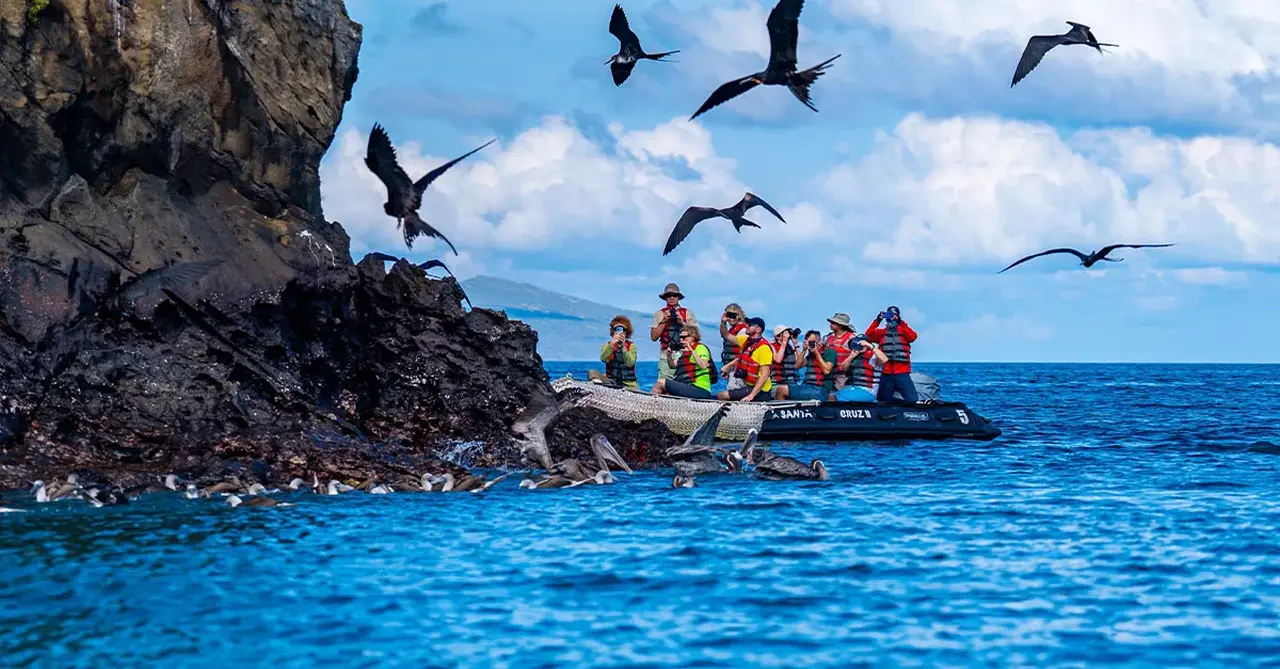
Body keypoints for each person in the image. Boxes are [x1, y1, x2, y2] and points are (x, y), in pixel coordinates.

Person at [865, 305, 919, 403]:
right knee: (882, 401)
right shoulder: (882, 333)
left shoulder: (904, 331)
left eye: (893, 315)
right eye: (889, 315)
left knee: (912, 400)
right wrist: (878, 320)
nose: (891, 318)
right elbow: (868, 335)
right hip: (886, 373)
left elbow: (913, 337)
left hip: (903, 373)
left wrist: (900, 322)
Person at [649, 283, 698, 382]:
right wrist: (664, 321)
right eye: (668, 295)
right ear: (665, 298)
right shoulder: (659, 314)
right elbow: (654, 337)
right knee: (663, 383)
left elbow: (696, 335)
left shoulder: (688, 313)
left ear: (678, 297)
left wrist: (683, 323)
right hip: (666, 353)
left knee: (685, 382)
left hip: (684, 352)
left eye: (674, 295)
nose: (672, 298)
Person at [651, 324, 715, 399]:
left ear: (693, 337)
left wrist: (691, 350)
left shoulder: (701, 348)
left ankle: (648, 404)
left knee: (661, 383)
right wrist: (669, 356)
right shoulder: (683, 352)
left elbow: (703, 365)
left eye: (684, 337)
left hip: (700, 388)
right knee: (667, 394)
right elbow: (673, 365)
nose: (681, 339)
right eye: (680, 337)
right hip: (686, 386)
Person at [717, 316, 773, 402]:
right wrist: (723, 323)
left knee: (722, 395)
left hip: (761, 391)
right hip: (748, 386)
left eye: (750, 325)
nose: (747, 326)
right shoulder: (745, 340)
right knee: (727, 393)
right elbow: (726, 335)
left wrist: (751, 395)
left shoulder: (764, 348)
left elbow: (764, 375)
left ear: (758, 329)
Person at [832, 325, 886, 402]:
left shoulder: (873, 356)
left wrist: (870, 346)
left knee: (833, 398)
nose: (859, 346)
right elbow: (843, 368)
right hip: (852, 388)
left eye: (862, 344)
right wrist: (851, 356)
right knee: (829, 397)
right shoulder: (855, 357)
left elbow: (884, 360)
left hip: (867, 391)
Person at [789, 329, 837, 401]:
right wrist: (803, 350)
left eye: (812, 342)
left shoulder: (829, 352)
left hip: (820, 389)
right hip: (807, 386)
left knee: (782, 390)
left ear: (818, 341)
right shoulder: (810, 355)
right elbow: (797, 366)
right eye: (809, 342)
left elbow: (827, 370)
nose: (811, 344)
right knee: (784, 388)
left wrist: (816, 352)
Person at [599, 315, 638, 389]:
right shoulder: (607, 346)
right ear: (612, 331)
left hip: (628, 384)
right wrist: (612, 344)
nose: (620, 333)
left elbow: (630, 363)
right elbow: (603, 359)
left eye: (622, 330)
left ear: (626, 332)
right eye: (616, 329)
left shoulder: (632, 346)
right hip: (611, 382)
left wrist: (624, 347)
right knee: (592, 373)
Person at [823, 313, 858, 390]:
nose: (830, 325)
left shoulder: (851, 339)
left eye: (833, 323)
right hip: (828, 375)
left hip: (844, 376)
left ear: (841, 325)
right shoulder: (828, 337)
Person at [719, 303, 748, 390]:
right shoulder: (731, 331)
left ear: (739, 315)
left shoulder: (743, 331)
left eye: (733, 316)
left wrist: (729, 366)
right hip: (732, 368)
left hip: (739, 369)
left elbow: (745, 355)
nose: (730, 319)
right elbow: (724, 334)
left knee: (733, 390)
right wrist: (723, 322)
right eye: (729, 316)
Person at [769, 324, 799, 400]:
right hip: (777, 383)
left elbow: (799, 363)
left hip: (791, 382)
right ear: (777, 336)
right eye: (784, 334)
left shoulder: (789, 347)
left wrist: (795, 344)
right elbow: (778, 360)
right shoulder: (771, 346)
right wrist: (784, 343)